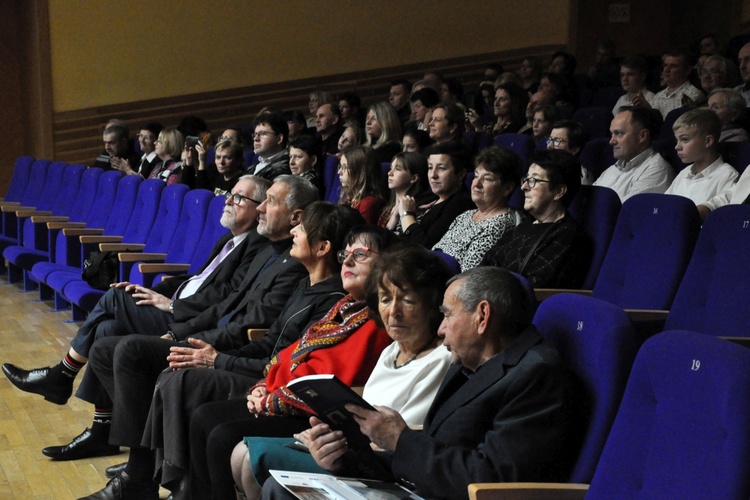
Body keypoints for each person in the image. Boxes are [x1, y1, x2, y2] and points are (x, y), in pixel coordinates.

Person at [86, 203, 363, 498]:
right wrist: (217, 355)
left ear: (322, 247)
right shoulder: (305, 285)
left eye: (302, 228)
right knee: (125, 348)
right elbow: (268, 342)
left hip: (270, 382)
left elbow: (291, 363)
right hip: (255, 366)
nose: (294, 231)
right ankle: (151, 473)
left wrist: (219, 359)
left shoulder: (329, 298)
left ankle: (165, 481)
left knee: (178, 375)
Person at [2, 176, 272, 460]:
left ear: (260, 208)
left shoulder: (255, 245)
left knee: (113, 298)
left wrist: (171, 307)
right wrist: (152, 292)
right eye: (231, 194)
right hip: (177, 305)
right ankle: (102, 431)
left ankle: (62, 373)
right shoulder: (229, 240)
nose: (228, 200)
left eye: (240, 198)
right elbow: (198, 280)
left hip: (190, 322)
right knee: (108, 327)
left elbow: (226, 298)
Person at [260, 266, 578, 500]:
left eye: (447, 316)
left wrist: (400, 440)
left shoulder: (537, 376)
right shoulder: (467, 364)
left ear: (482, 316)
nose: (440, 329)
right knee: (282, 488)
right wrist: (343, 458)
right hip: (420, 487)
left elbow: (492, 479)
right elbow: (429, 452)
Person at [181, 226, 397, 500]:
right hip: (282, 399)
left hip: (312, 417)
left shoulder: (378, 323)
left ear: (387, 264)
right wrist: (262, 387)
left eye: (361, 254)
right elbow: (289, 356)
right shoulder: (343, 308)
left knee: (222, 435)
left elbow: (329, 384)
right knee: (203, 416)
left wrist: (270, 400)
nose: (348, 261)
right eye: (346, 254)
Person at [231, 245, 454, 499]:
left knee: (256, 468)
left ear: (433, 305)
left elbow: (405, 440)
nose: (393, 312)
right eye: (385, 299)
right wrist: (326, 435)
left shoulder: (445, 359)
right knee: (239, 451)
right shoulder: (391, 352)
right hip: (354, 452)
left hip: (391, 469)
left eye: (407, 300)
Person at [483, 149, 591, 288]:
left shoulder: (569, 236)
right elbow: (487, 262)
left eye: (534, 180)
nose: (524, 187)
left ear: (558, 192)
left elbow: (534, 286)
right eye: (526, 179)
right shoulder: (524, 226)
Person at [432, 145, 523, 271]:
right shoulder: (466, 215)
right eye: (476, 176)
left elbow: (468, 274)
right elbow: (435, 251)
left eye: (487, 179)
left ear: (507, 188)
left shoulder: (500, 224)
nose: (477, 184)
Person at [399, 142, 475, 248]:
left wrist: (406, 214)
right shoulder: (428, 196)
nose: (433, 175)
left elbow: (424, 246)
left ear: (460, 174)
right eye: (430, 168)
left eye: (441, 168)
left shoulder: (460, 204)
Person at [594, 107, 674, 202]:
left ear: (642, 136)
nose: (611, 141)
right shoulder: (611, 169)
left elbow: (626, 213)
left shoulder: (657, 170)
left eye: (618, 133)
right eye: (611, 134)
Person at [664, 108, 738, 205]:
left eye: (685, 139)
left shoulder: (728, 175)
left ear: (707, 141)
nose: (677, 147)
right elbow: (665, 205)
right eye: (677, 141)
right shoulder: (684, 173)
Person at [380, 151, 428, 232]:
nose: (389, 173)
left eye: (397, 169)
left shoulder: (416, 210)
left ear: (413, 178)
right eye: (391, 168)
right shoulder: (387, 207)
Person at [650, 51, 705, 117]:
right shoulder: (658, 96)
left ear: (687, 70)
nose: (667, 70)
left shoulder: (693, 94)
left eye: (673, 66)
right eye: (665, 65)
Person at [338, 146, 384, 224]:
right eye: (340, 167)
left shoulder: (368, 203)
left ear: (361, 172)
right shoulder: (351, 199)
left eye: (345, 167)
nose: (339, 172)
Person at [547, 120, 594, 185]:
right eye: (550, 140)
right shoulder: (544, 168)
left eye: (557, 141)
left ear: (574, 149)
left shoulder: (580, 177)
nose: (549, 146)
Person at [248, 112, 291, 181]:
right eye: (255, 134)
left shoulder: (288, 167)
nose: (256, 139)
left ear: (279, 139)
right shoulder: (252, 168)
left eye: (263, 134)